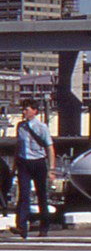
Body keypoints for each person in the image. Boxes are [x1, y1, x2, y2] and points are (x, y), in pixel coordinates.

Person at [13, 99, 54, 240]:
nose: (24, 112)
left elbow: (49, 147)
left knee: (41, 195)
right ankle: (21, 227)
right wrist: (14, 165)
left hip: (38, 163)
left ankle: (44, 227)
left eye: (26, 109)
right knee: (23, 194)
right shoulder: (20, 126)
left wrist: (51, 169)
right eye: (23, 109)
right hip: (23, 163)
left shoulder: (41, 127)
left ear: (34, 110)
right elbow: (18, 145)